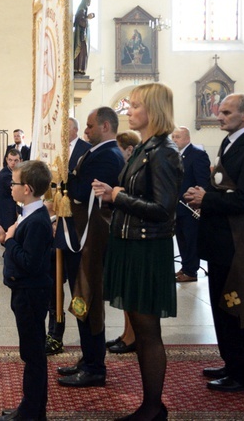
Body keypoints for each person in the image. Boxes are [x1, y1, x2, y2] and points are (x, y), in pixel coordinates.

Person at [93, 83, 182, 420]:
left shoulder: (164, 152)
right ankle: (150, 404)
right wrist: (111, 194)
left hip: (147, 248)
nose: (128, 110)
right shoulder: (146, 148)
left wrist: (118, 197)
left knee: (148, 332)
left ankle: (153, 406)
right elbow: (133, 194)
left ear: (154, 111)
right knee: (141, 331)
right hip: (130, 243)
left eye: (135, 106)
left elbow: (163, 208)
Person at [184, 93, 244, 393]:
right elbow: (222, 183)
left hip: (236, 238)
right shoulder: (229, 142)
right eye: (219, 112)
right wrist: (203, 193)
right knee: (221, 305)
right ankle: (231, 361)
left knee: (237, 305)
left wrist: (207, 198)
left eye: (226, 112)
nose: (219, 116)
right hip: (219, 236)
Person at [57, 107, 125, 388]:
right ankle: (88, 358)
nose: (85, 131)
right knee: (81, 298)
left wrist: (67, 178)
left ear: (105, 126)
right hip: (81, 235)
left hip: (91, 240)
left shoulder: (108, 155)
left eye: (89, 126)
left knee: (89, 300)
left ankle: (96, 367)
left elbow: (81, 191)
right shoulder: (95, 152)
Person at [0, 160, 54, 421]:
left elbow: (30, 263)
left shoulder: (37, 221)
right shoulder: (29, 213)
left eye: (14, 182)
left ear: (26, 188)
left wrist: (11, 240)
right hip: (25, 292)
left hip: (31, 293)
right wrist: (7, 237)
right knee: (32, 352)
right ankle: (33, 409)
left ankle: (30, 413)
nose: (10, 186)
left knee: (33, 355)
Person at [45, 117, 92, 356]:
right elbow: (50, 190)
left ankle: (89, 348)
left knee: (78, 289)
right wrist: (52, 220)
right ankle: (55, 334)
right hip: (57, 228)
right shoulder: (53, 153)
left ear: (72, 130)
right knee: (54, 286)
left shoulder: (86, 152)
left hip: (77, 231)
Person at [105, 129, 142, 355]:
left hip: (137, 232)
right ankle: (127, 333)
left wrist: (115, 193)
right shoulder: (128, 165)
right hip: (124, 229)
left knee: (132, 292)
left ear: (129, 149)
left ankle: (133, 337)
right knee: (126, 290)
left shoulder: (136, 165)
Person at [171, 126, 211, 283]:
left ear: (187, 138)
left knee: (190, 239)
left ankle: (191, 271)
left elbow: (202, 181)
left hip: (189, 205)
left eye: (177, 137)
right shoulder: (175, 155)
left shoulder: (197, 154)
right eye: (173, 137)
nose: (174, 140)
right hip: (177, 205)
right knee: (181, 238)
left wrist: (195, 197)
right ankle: (185, 267)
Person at [0, 149, 20, 231]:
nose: (13, 163)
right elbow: (18, 192)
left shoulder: (10, 172)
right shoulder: (6, 176)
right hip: (3, 216)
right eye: (10, 160)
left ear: (21, 161)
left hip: (5, 211)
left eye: (16, 160)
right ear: (6, 160)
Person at [73, 0, 95, 75]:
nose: (90, 3)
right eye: (89, 1)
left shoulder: (83, 10)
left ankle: (81, 69)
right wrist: (87, 18)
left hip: (82, 35)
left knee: (83, 52)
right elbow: (80, 21)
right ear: (86, 1)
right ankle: (78, 68)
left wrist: (87, 17)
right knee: (81, 51)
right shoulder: (81, 10)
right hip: (80, 36)